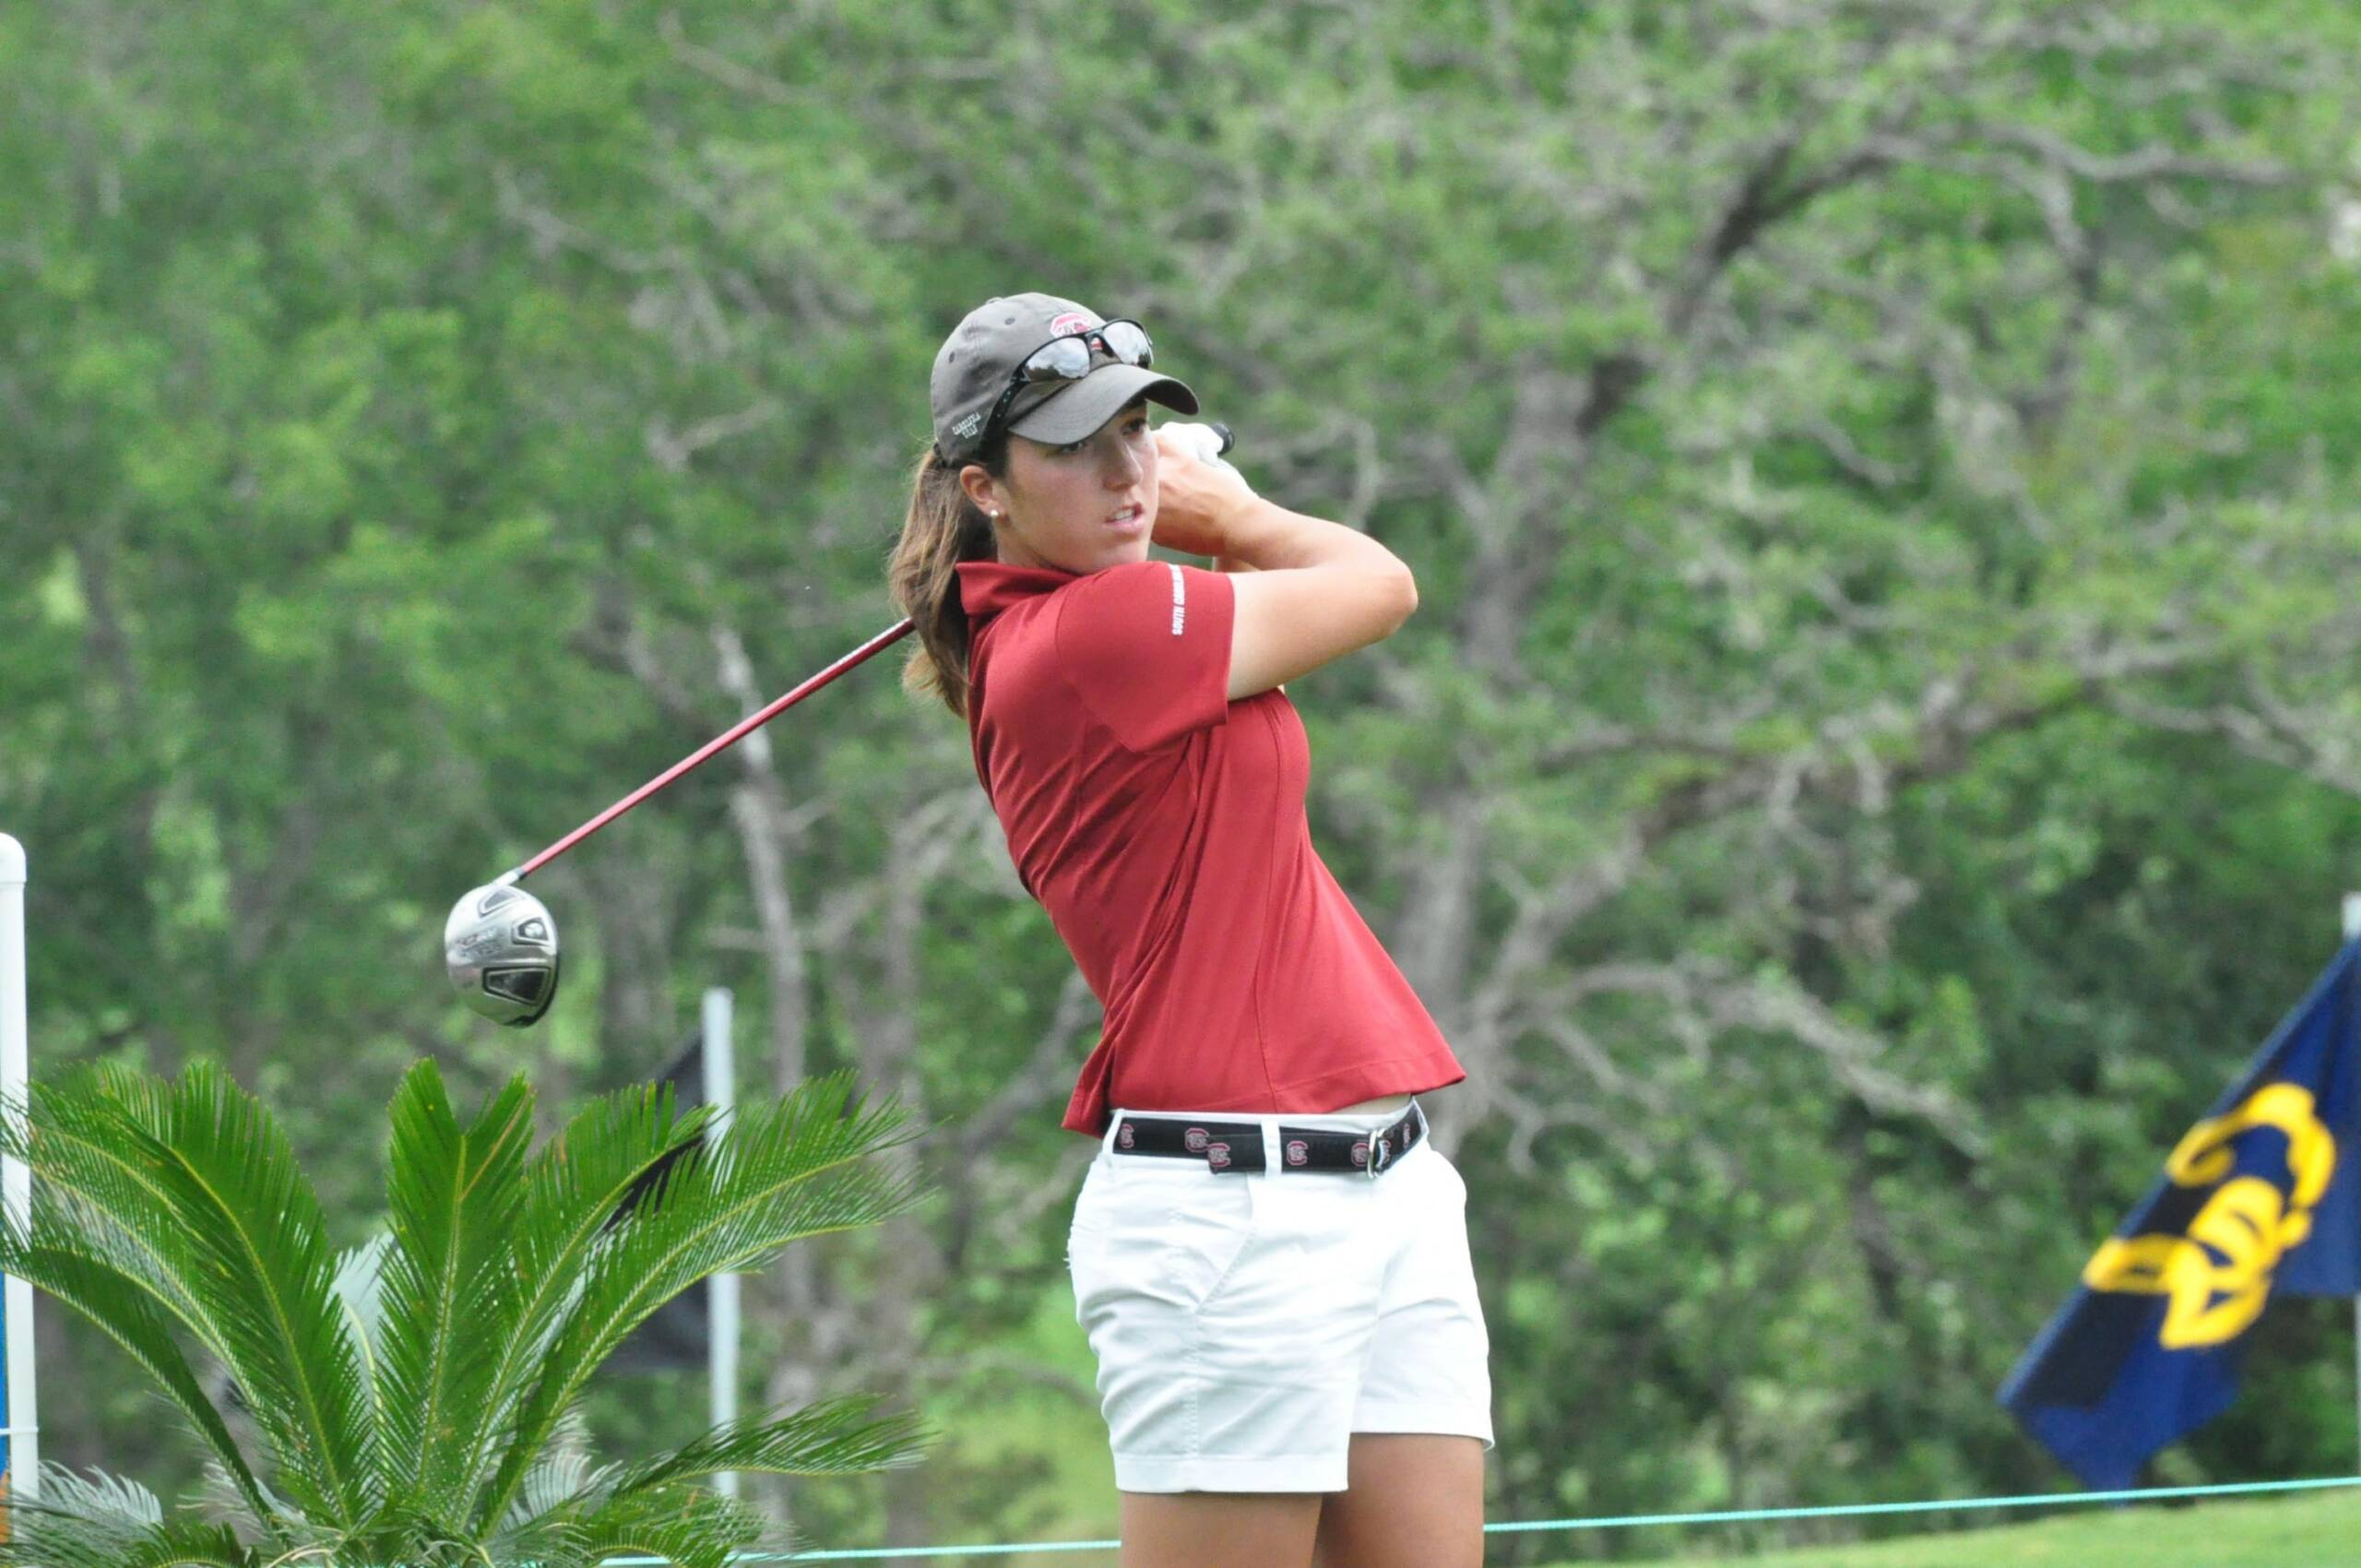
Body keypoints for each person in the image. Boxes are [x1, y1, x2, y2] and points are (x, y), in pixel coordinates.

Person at [887, 293, 1493, 1568]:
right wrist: (1234, 515)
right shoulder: (1089, 634)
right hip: (1230, 1221)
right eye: (1076, 446)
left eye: (1137, 432)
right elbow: (1377, 585)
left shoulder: (1125, 621)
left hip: (1384, 1180)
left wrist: (1207, 532)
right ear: (987, 487)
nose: (1126, 472)